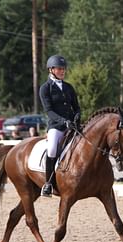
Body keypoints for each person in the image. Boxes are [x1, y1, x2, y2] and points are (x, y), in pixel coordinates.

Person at [39, 55, 80, 197]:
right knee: (51, 150)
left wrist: (77, 117)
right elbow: (49, 111)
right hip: (56, 126)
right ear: (51, 70)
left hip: (72, 126)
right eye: (59, 69)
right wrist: (64, 121)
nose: (63, 71)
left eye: (64, 69)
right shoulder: (45, 88)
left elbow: (77, 107)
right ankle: (48, 184)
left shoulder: (68, 87)